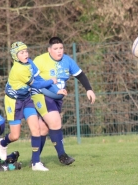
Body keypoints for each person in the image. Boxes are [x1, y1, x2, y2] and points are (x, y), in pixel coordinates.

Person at [0, 42, 66, 171]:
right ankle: (2, 143)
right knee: (15, 135)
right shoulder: (18, 69)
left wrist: (56, 90)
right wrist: (52, 80)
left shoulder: (30, 63)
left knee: (36, 130)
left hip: (26, 99)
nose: (25, 54)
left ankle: (36, 163)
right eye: (21, 53)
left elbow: (39, 78)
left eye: (26, 51)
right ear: (15, 56)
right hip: (14, 102)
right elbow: (36, 85)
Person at [31, 37, 96, 165]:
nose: (59, 51)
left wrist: (89, 89)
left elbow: (80, 74)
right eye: (55, 49)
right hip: (42, 96)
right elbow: (30, 77)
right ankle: (62, 156)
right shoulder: (40, 60)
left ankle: (35, 161)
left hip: (57, 98)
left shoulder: (67, 60)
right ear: (49, 50)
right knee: (55, 122)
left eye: (61, 48)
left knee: (43, 129)